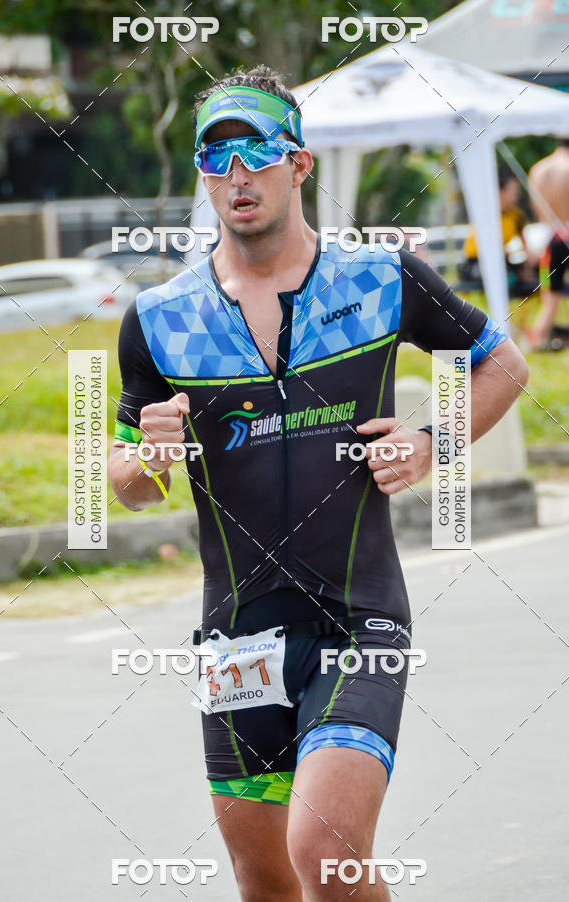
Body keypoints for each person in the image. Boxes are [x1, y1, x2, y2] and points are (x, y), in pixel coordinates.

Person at [109, 65, 529, 901]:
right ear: (202, 176)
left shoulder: (379, 278)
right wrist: (147, 462)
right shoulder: (159, 319)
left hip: (357, 617)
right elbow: (122, 481)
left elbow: (501, 365)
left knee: (325, 851)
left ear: (299, 164)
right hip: (237, 638)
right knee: (266, 883)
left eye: (256, 153)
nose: (236, 175)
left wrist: (430, 442)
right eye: (216, 158)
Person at [460, 171, 538, 292]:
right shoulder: (486, 214)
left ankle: (545, 292)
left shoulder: (516, 215)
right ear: (500, 192)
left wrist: (531, 261)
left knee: (538, 267)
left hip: (502, 260)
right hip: (477, 263)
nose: (517, 196)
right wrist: (513, 252)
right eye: (513, 191)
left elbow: (525, 247)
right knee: (505, 274)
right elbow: (489, 248)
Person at [527, 138, 569, 349]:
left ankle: (537, 339)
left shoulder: (538, 169)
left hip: (549, 240)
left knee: (550, 296)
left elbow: (537, 209)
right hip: (565, 234)